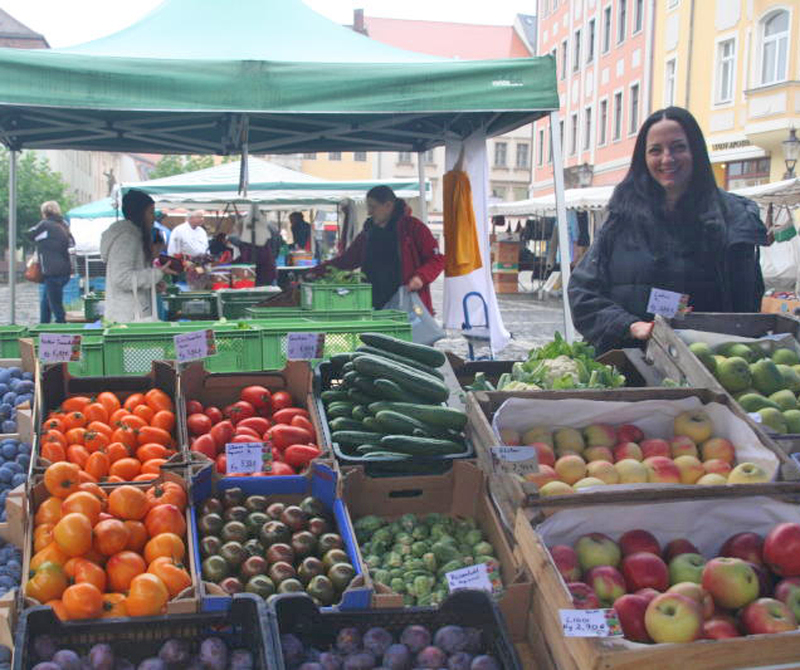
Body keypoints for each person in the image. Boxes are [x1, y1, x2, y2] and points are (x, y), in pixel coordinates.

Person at [568, 106, 766, 354]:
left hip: (707, 365)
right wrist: (631, 326)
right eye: (655, 150)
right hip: (632, 365)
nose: (667, 158)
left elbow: (746, 307)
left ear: (695, 151)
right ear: (644, 158)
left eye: (678, 147)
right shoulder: (621, 220)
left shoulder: (732, 219)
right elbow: (582, 294)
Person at [313, 185, 444, 312]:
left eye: (373, 207)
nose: (369, 212)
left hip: (407, 303)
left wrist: (420, 277)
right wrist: (315, 273)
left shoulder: (413, 227)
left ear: (388, 205)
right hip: (372, 304)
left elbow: (437, 259)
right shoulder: (368, 232)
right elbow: (347, 260)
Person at [100, 189, 178, 323]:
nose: (153, 217)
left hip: (131, 315)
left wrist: (152, 284)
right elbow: (122, 278)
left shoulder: (132, 236)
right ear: (139, 213)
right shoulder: (127, 238)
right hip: (126, 318)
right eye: (150, 213)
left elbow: (130, 275)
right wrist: (156, 273)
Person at [27, 201, 74, 323]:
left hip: (51, 271)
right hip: (65, 269)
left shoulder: (45, 225)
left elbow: (30, 235)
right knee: (46, 301)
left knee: (56, 305)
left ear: (44, 213)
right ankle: (43, 325)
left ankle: (60, 329)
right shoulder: (64, 224)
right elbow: (71, 243)